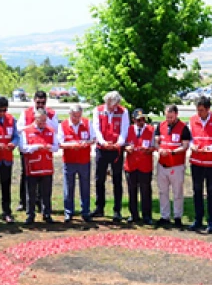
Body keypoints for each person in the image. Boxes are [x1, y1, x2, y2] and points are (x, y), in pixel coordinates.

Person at [187, 96, 212, 234]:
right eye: (197, 110)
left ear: (208, 109)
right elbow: (189, 138)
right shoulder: (192, 120)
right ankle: (198, 219)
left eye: (201, 110)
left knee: (211, 191)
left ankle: (211, 221)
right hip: (196, 161)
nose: (199, 113)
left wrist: (211, 147)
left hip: (211, 161)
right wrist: (193, 145)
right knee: (197, 191)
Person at [17, 90, 57, 214]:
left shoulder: (51, 113)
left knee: (44, 177)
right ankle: (24, 202)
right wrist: (33, 126)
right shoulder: (26, 113)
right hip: (29, 145)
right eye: (38, 102)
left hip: (44, 148)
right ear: (34, 100)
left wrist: (44, 120)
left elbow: (55, 129)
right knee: (27, 176)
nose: (40, 104)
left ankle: (41, 204)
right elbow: (18, 128)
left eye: (43, 102)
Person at [92, 91, 129, 222]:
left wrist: (118, 143)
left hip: (116, 150)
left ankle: (117, 210)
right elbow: (96, 128)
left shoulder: (123, 112)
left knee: (117, 179)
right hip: (102, 149)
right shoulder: (98, 110)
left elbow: (124, 129)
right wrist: (102, 142)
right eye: (108, 103)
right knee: (99, 179)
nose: (110, 106)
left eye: (113, 104)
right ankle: (99, 207)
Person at [56, 103, 93, 222]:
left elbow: (93, 139)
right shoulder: (63, 125)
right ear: (70, 114)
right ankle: (68, 212)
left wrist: (86, 143)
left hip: (84, 160)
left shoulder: (87, 123)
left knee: (85, 187)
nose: (76, 119)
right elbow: (60, 143)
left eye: (78, 116)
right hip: (69, 160)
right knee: (68, 187)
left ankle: (85, 211)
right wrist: (73, 145)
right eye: (74, 116)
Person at [155, 104, 190, 228]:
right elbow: (156, 141)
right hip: (162, 164)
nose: (168, 119)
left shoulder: (184, 128)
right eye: (167, 116)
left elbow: (185, 145)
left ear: (176, 114)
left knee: (177, 192)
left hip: (176, 165)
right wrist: (159, 149)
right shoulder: (160, 125)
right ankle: (165, 216)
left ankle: (177, 217)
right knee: (162, 192)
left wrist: (172, 152)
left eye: (171, 117)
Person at [124, 108, 156, 225]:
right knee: (132, 191)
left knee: (146, 191)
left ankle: (147, 215)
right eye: (138, 120)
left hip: (145, 165)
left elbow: (155, 146)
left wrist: (149, 149)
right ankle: (134, 214)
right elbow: (123, 144)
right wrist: (126, 148)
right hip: (131, 165)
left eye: (143, 119)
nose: (141, 122)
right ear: (133, 120)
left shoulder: (151, 130)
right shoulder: (128, 130)